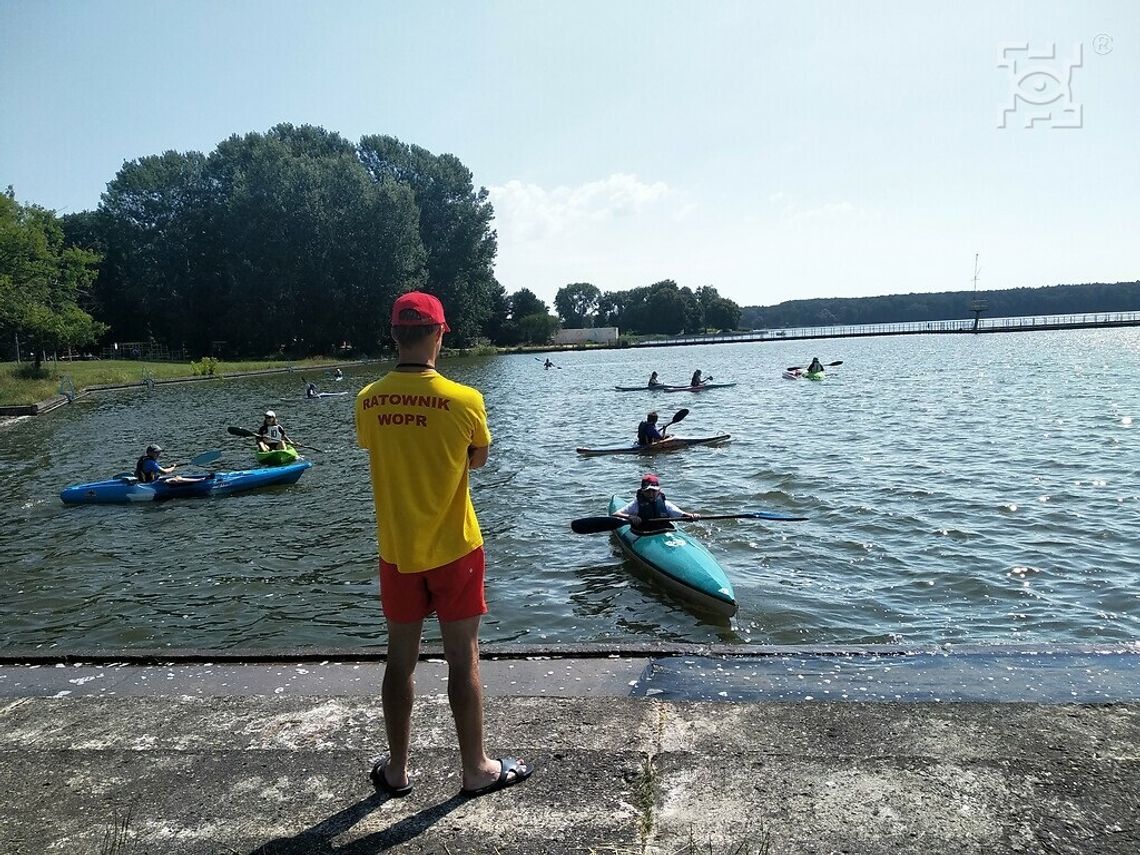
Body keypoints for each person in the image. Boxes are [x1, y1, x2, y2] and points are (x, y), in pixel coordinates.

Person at [355, 290, 532, 799]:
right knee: (463, 658)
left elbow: (376, 445)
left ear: (394, 334)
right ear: (438, 334)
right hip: (456, 548)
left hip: (398, 552)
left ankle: (397, 770)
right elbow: (475, 461)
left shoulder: (368, 399)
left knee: (399, 661)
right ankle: (475, 769)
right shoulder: (466, 400)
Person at [613, 473, 699, 533]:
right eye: (647, 491)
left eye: (654, 491)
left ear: (659, 491)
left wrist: (692, 516)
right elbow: (616, 514)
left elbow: (682, 515)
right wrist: (630, 517)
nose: (651, 494)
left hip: (662, 531)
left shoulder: (665, 504)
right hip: (642, 531)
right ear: (642, 492)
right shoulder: (636, 504)